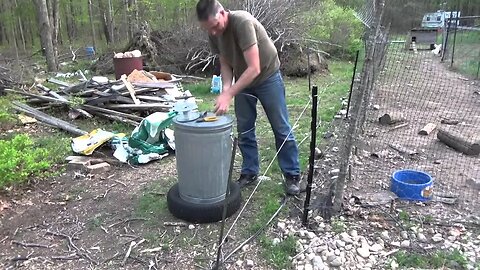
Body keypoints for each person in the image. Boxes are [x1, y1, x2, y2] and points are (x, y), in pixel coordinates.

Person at [196, 0, 301, 195]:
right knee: (244, 129)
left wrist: (229, 93)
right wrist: (225, 89)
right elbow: (226, 63)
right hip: (243, 80)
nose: (212, 32)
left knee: (280, 127)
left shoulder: (242, 22)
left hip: (267, 76)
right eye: (208, 29)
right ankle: (250, 171)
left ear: (223, 13)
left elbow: (254, 68)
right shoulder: (214, 32)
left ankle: (292, 174)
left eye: (215, 26)